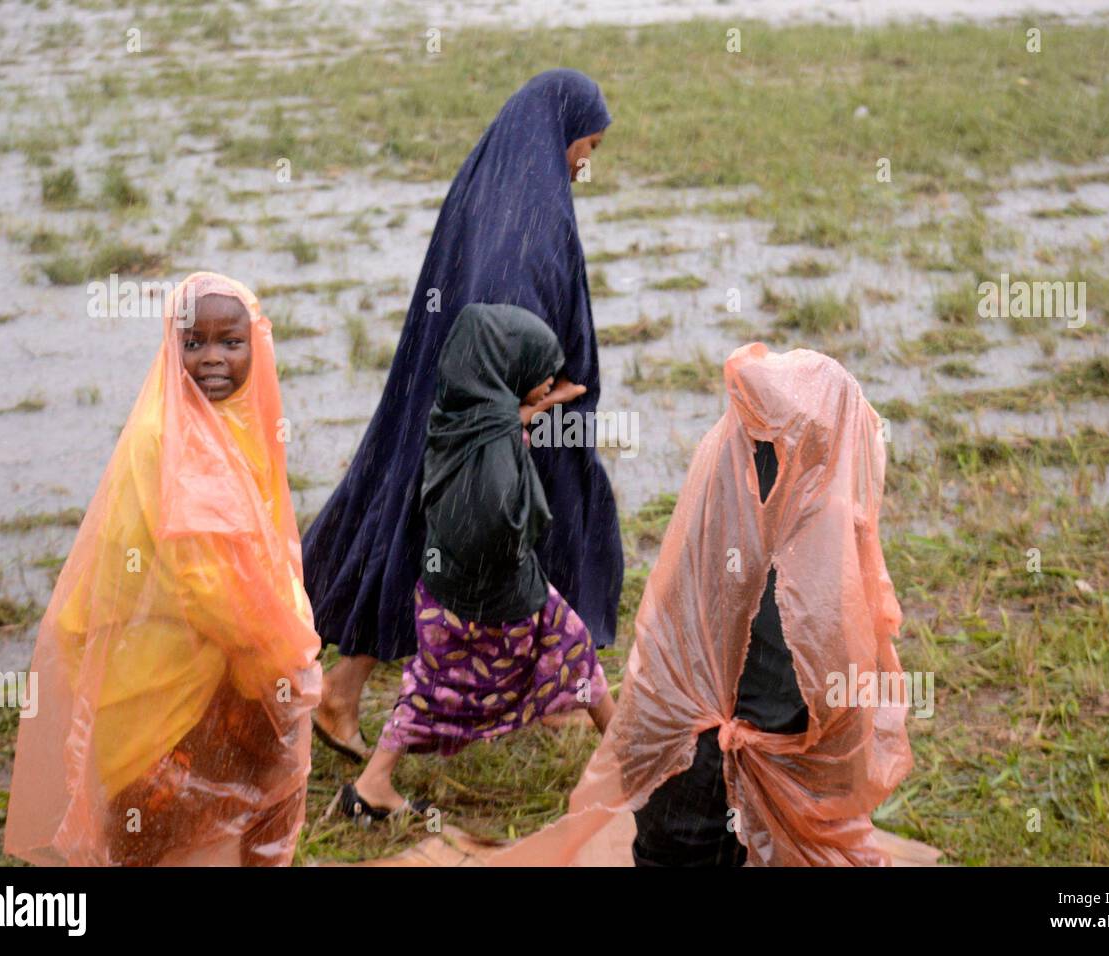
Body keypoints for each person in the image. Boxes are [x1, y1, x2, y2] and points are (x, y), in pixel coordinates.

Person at [487, 344, 938, 866]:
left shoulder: (717, 524)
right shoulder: (808, 571)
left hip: (673, 766)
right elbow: (826, 724)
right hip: (701, 795)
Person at [301, 69, 622, 762]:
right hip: (496, 421)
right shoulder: (527, 213)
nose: (585, 161)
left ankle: (555, 691)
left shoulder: (504, 181)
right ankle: (344, 694)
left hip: (472, 410)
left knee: (470, 539)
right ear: (560, 132)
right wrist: (532, 398)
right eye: (586, 144)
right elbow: (504, 311)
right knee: (446, 547)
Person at [4, 272, 322, 866]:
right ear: (170, 348)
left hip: (204, 672)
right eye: (193, 342)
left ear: (258, 343)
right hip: (164, 695)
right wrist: (288, 659)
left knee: (218, 823)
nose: (212, 359)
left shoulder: (239, 422)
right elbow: (213, 589)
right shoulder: (173, 441)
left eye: (231, 341)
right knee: (196, 833)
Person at [330, 303, 614, 821]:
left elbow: (497, 424)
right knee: (463, 684)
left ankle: (624, 752)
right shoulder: (496, 459)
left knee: (443, 685)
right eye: (539, 372)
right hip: (495, 602)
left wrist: (537, 407)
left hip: (444, 594)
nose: (549, 379)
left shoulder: (455, 415)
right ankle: (626, 758)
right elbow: (503, 520)